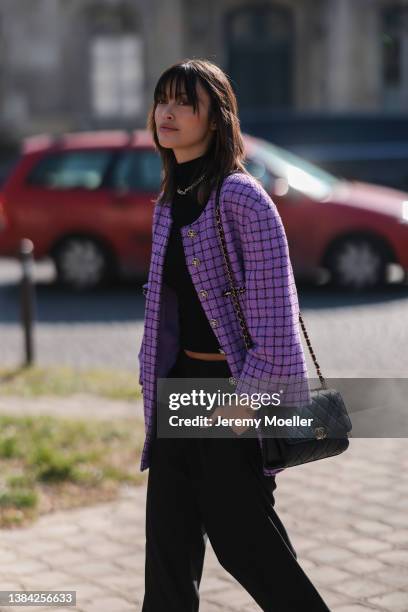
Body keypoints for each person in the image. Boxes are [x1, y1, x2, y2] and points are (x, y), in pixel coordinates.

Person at [139, 58, 330, 611]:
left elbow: (276, 324)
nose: (167, 113)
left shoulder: (242, 199)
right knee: (168, 556)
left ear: (216, 119)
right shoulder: (169, 201)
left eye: (184, 103)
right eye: (162, 101)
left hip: (234, 393)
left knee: (247, 547)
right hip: (179, 393)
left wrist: (243, 411)